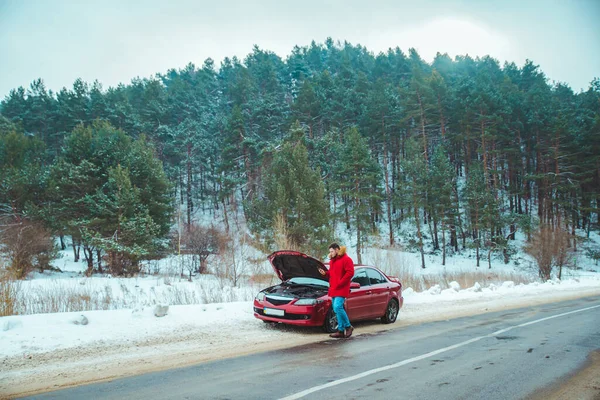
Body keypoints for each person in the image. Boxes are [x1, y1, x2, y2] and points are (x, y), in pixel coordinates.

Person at [318, 243, 355, 338]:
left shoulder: (347, 259)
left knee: (338, 307)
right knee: (335, 309)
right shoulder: (332, 261)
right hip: (334, 288)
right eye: (329, 251)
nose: (330, 253)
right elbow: (332, 273)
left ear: (337, 250)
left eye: (332, 251)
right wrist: (325, 273)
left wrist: (341, 282)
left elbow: (350, 273)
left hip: (341, 288)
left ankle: (348, 326)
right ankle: (341, 331)